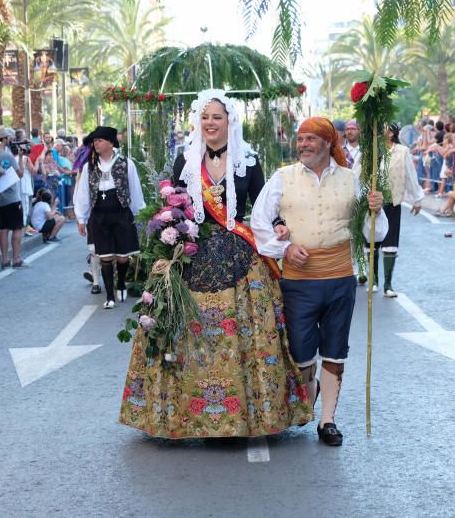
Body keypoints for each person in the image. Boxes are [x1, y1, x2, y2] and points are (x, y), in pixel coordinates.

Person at [119, 90, 311, 438]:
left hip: (240, 255)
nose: (210, 123)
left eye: (217, 117)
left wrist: (280, 223)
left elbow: (263, 204)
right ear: (198, 121)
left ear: (229, 122)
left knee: (245, 332)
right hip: (194, 253)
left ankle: (252, 413)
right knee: (191, 331)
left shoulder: (248, 160)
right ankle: (186, 416)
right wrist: (169, 237)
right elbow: (174, 207)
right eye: (205, 117)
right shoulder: (185, 160)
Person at [251, 117, 386, 447]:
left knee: (335, 350)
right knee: (301, 351)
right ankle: (304, 408)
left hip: (340, 278)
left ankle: (328, 420)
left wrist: (375, 210)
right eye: (300, 139)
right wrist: (284, 247)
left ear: (329, 143)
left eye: (311, 139)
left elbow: (375, 234)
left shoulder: (352, 180)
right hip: (299, 281)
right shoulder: (283, 178)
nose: (303, 145)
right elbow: (258, 222)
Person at [74, 126, 144, 309]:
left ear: (110, 143)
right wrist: (81, 218)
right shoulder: (89, 167)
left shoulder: (126, 163)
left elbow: (135, 190)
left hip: (121, 212)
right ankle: (110, 296)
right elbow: (83, 193)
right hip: (99, 215)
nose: (96, 144)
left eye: (99, 140)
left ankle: (121, 282)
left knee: (122, 256)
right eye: (94, 141)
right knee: (105, 256)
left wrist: (139, 214)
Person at [365, 123, 424, 298]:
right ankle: (373, 280)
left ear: (391, 134)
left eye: (382, 128)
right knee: (372, 241)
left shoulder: (402, 151)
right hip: (373, 202)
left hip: (392, 202)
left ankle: (388, 285)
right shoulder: (371, 150)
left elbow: (410, 176)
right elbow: (357, 173)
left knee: (390, 242)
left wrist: (417, 199)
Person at [0, 126, 26, 267]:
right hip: (12, 197)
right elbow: (20, 174)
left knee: (3, 229)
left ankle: (5, 259)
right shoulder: (6, 156)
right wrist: (20, 158)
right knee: (17, 228)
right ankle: (17, 258)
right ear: (4, 139)